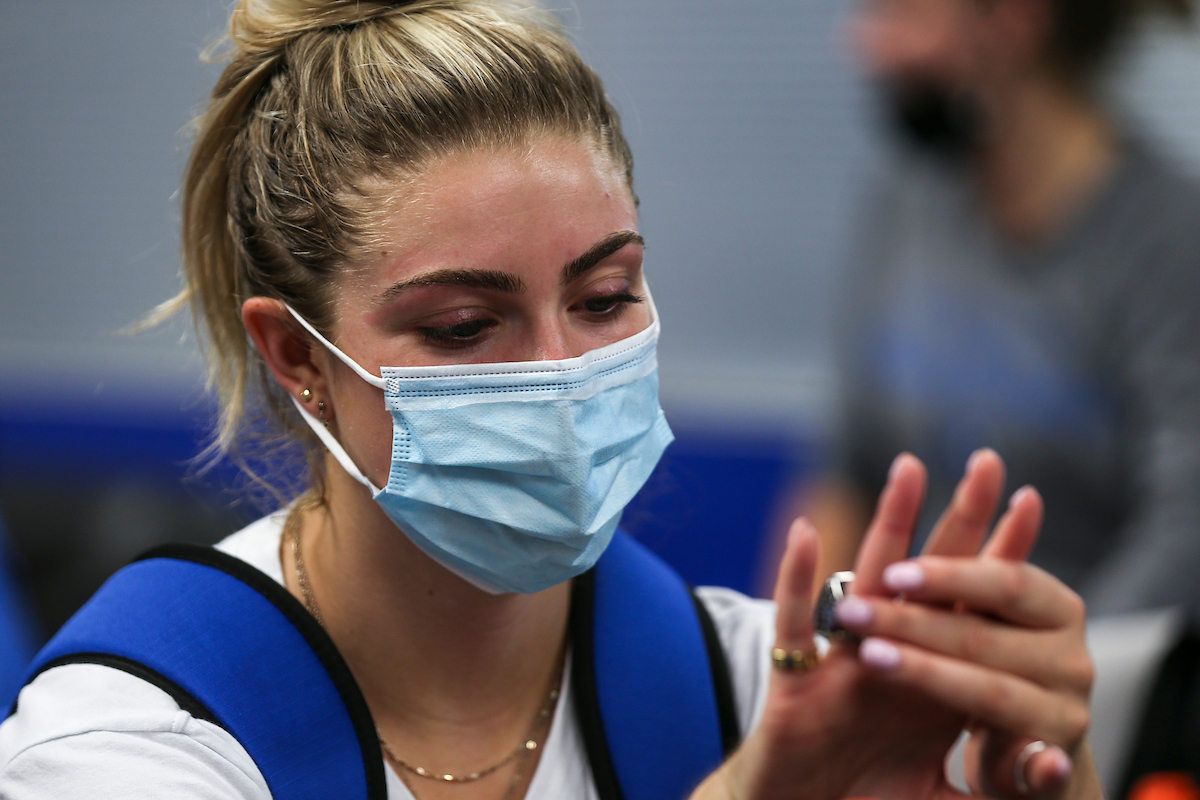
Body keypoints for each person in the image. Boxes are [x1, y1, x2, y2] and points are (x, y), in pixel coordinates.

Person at [0, 2, 1101, 799]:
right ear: (298, 356)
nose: (561, 373)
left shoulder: (758, 694)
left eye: (604, 297)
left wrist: (1051, 764)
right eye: (463, 326)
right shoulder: (130, 737)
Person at [802, 0, 1200, 615]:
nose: (865, 45)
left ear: (1017, 21)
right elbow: (849, 473)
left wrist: (1054, 663)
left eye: (903, 14)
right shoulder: (907, 208)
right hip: (906, 651)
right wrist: (796, 646)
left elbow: (1182, 533)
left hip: (1085, 655)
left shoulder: (1168, 240)